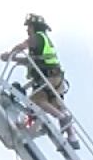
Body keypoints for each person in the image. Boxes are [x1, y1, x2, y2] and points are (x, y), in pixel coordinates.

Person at [4, 13, 75, 145]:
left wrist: (9, 54)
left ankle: (62, 118)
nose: (27, 30)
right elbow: (30, 61)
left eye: (29, 26)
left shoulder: (36, 38)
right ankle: (72, 136)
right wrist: (12, 59)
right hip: (56, 78)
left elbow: (21, 47)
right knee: (56, 103)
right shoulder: (44, 40)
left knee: (35, 100)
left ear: (34, 27)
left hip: (48, 78)